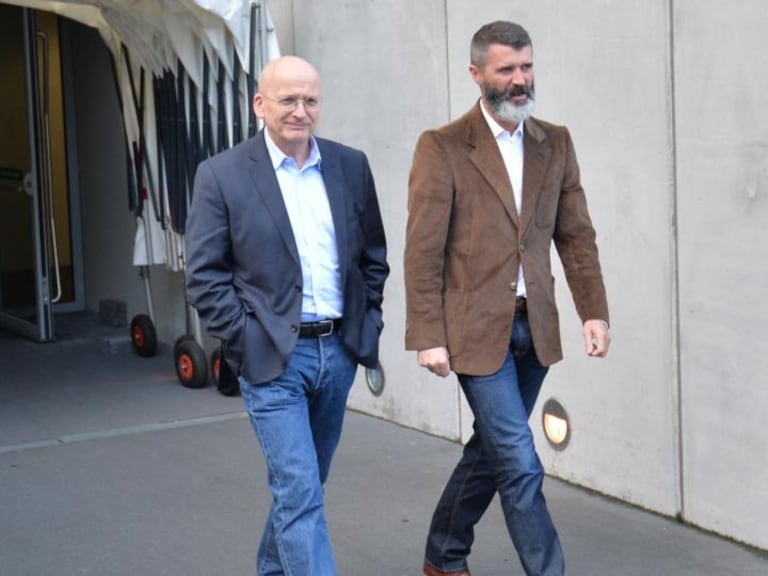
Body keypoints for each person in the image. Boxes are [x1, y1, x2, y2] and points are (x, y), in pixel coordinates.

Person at [405, 21, 610, 576]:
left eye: (526, 67)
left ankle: (443, 556)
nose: (520, 81)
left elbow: (575, 235)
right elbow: (423, 251)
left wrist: (593, 310)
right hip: (473, 332)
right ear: (477, 74)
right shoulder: (443, 148)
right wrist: (428, 337)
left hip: (533, 328)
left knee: (491, 452)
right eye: (506, 70)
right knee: (520, 464)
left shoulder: (555, 142)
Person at [185, 55, 389, 576]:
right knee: (298, 490)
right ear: (260, 104)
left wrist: (366, 326)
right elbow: (204, 276)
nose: (300, 111)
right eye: (288, 100)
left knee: (304, 487)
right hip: (274, 357)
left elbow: (372, 257)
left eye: (310, 100)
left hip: (338, 353)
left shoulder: (349, 165)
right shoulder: (222, 175)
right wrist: (245, 341)